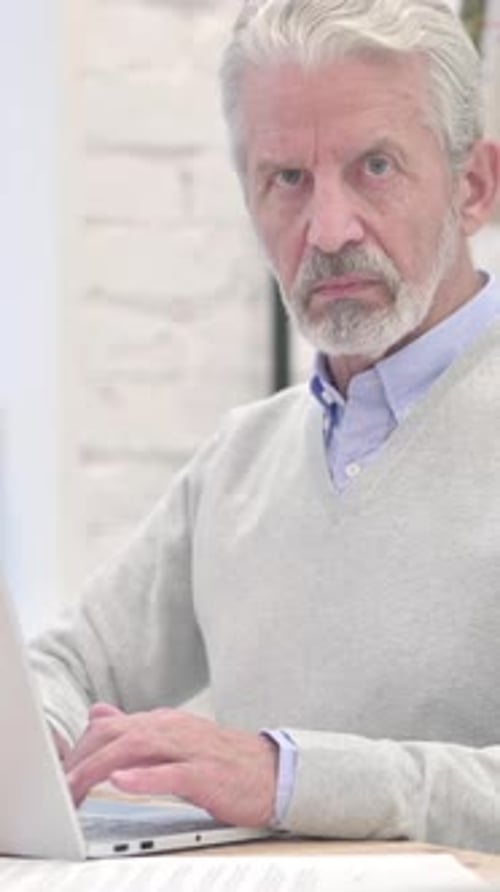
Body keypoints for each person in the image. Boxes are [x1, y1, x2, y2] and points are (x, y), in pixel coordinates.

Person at [30, 0, 500, 853]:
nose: (327, 232)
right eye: (287, 179)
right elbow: (63, 667)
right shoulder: (239, 464)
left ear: (473, 187)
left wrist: (287, 775)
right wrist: (40, 748)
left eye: (376, 167)